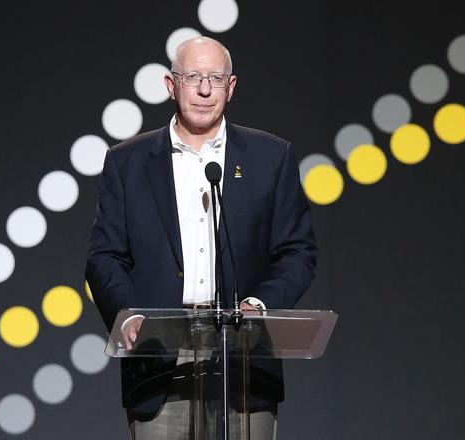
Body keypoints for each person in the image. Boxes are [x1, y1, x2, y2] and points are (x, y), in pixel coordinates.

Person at [85, 37, 317, 439]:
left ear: (232, 86)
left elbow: (297, 252)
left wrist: (259, 305)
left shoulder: (270, 156)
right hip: (159, 361)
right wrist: (131, 314)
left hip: (243, 358)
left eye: (216, 78)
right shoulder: (128, 162)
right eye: (193, 77)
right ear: (171, 84)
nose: (205, 89)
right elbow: (104, 257)